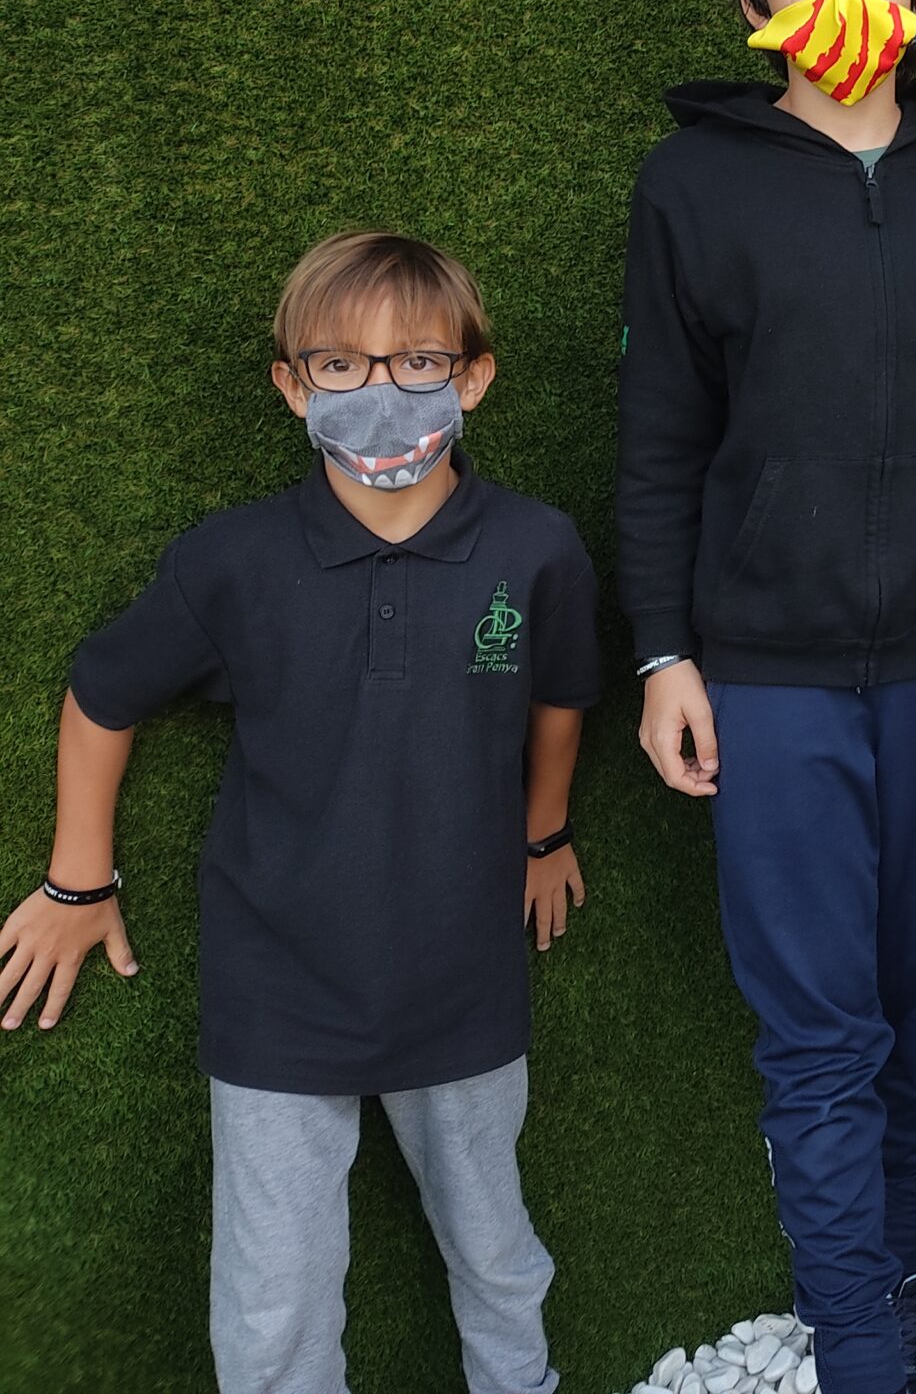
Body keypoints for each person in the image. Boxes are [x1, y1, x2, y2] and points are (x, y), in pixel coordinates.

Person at [0, 230, 600, 1394]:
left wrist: (547, 832)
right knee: (272, 1301)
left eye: (418, 361)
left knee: (498, 1257)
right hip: (276, 990)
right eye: (340, 365)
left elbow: (562, 698)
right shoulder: (230, 560)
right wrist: (78, 879)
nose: (382, 391)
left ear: (473, 376)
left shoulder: (538, 549)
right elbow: (104, 692)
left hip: (464, 980)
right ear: (292, 386)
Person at [616, 0, 916, 1394]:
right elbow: (659, 441)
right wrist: (664, 655)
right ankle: (861, 1343)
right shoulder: (692, 185)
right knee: (817, 1032)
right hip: (769, 681)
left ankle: (901, 1269)